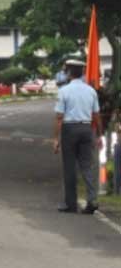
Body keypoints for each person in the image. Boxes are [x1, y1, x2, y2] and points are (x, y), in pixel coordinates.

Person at [52, 59, 102, 214]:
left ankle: (70, 204)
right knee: (87, 166)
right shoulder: (91, 91)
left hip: (70, 129)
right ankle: (92, 200)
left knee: (69, 167)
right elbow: (96, 115)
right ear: (82, 73)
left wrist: (56, 139)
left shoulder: (64, 91)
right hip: (87, 128)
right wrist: (99, 135)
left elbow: (59, 117)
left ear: (68, 72)